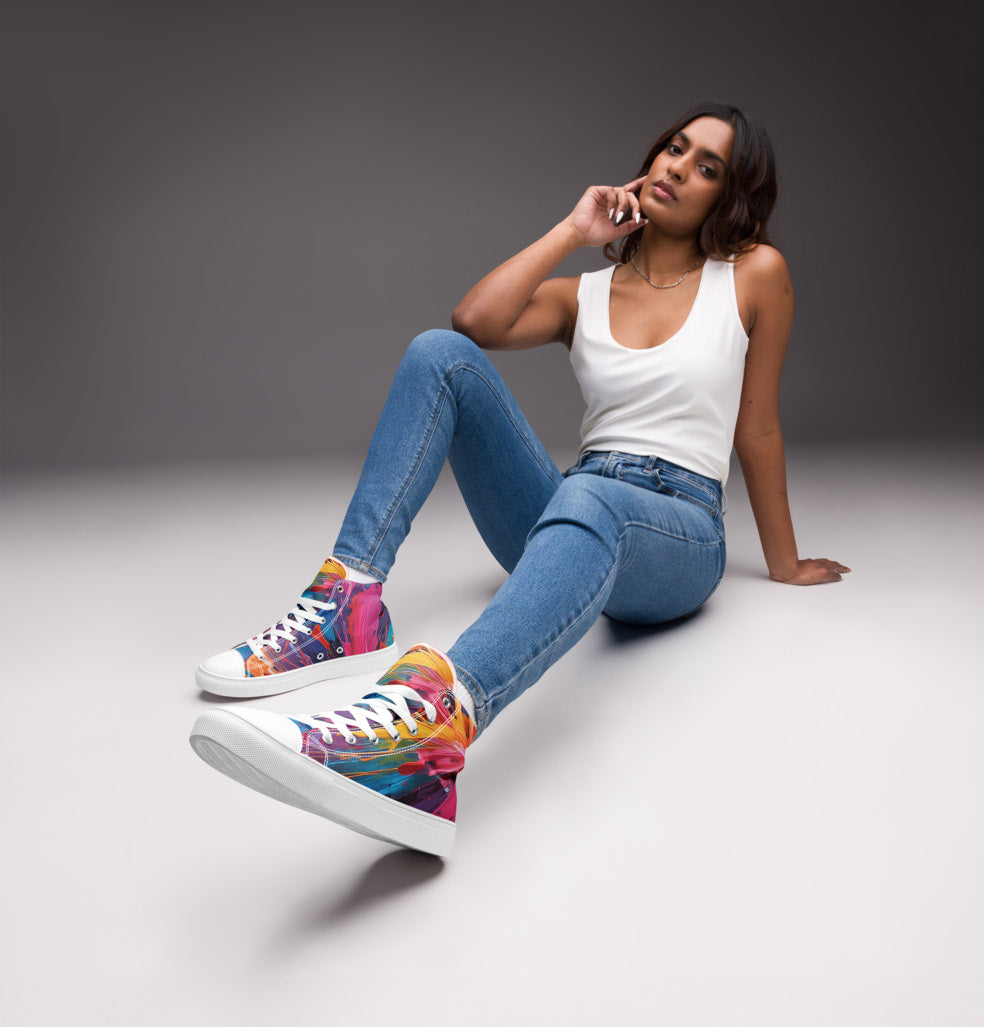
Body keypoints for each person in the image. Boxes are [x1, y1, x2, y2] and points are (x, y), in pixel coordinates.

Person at [188, 101, 849, 858]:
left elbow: (757, 428)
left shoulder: (754, 274)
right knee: (438, 354)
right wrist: (573, 231)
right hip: (574, 510)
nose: (677, 167)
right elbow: (474, 321)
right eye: (674, 147)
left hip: (679, 532)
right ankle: (347, 604)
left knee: (590, 496)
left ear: (727, 196)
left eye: (708, 167)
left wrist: (785, 562)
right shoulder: (585, 294)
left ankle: (427, 738)